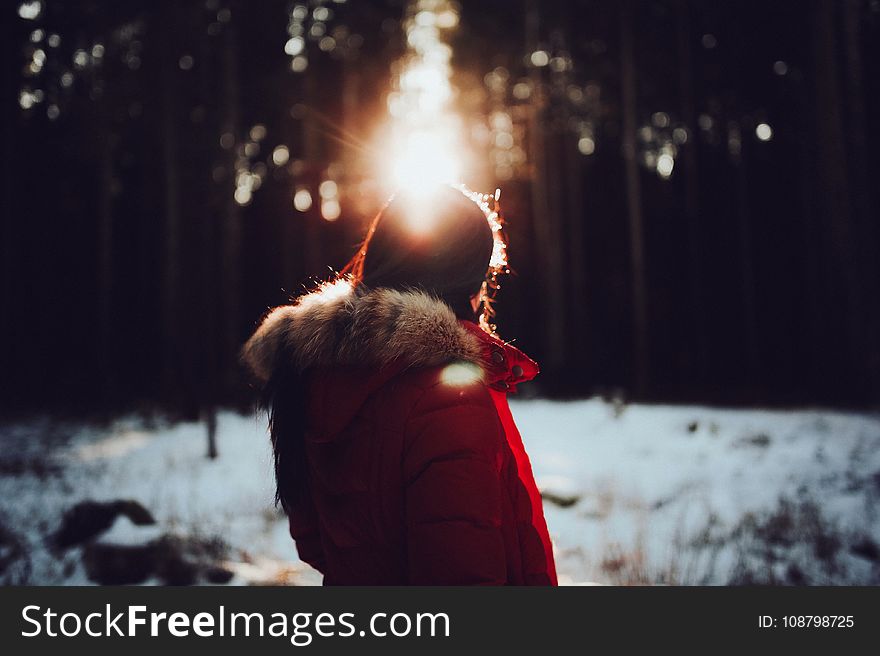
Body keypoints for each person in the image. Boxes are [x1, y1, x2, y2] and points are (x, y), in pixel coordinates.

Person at [241, 185, 557, 585]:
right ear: (466, 283)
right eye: (483, 277)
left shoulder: (315, 377)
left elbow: (313, 538)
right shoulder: (447, 394)